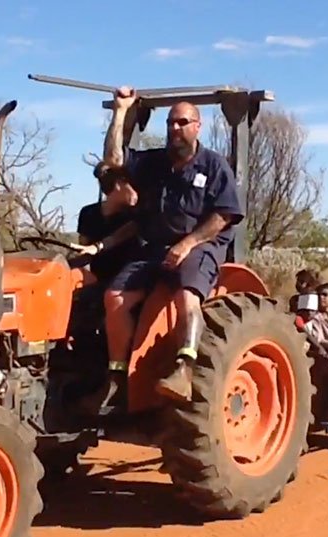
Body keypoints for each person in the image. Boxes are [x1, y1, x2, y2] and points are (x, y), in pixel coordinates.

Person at [86, 85, 246, 411]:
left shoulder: (214, 166)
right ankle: (117, 377)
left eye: (183, 122)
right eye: (171, 123)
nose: (175, 128)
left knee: (186, 294)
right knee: (114, 298)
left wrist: (188, 243)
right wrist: (120, 112)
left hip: (201, 245)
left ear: (197, 126)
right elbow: (114, 159)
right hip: (154, 247)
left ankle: (185, 368)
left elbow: (225, 214)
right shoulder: (154, 163)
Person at [72, 163, 142, 287]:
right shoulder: (88, 213)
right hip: (96, 280)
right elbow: (84, 250)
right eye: (132, 185)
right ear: (118, 185)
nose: (137, 192)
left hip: (126, 283)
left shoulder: (135, 216)